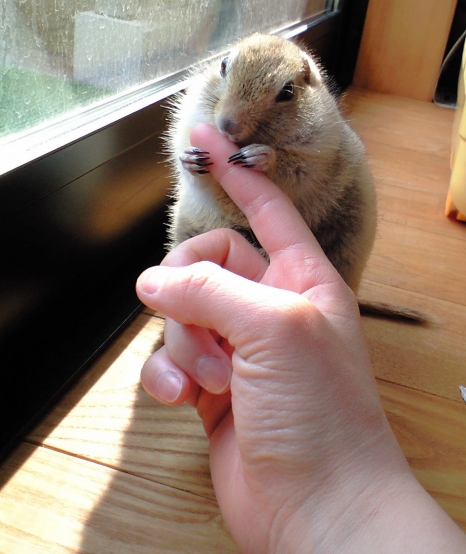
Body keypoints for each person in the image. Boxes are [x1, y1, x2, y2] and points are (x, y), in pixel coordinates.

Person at [136, 123, 466, 553]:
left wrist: (326, 500)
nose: (235, 123)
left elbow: (317, 168)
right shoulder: (211, 113)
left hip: (324, 254)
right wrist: (324, 506)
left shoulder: (320, 136)